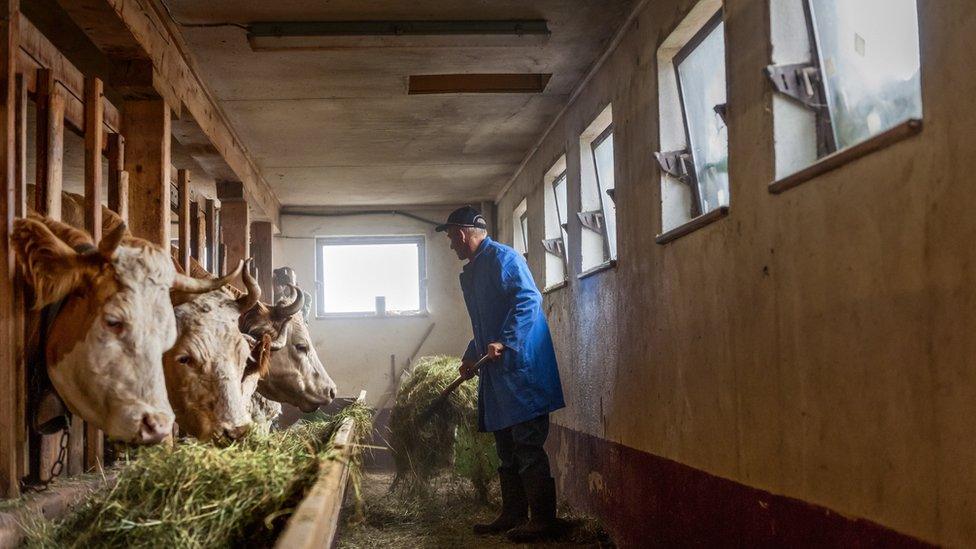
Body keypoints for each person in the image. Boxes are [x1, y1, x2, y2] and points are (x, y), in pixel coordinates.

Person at [436, 205, 565, 542]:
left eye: (451, 237)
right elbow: (485, 324)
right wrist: (471, 354)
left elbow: (528, 300)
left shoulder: (503, 259)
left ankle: (543, 520)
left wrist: (506, 342)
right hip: (500, 374)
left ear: (463, 235)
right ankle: (512, 514)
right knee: (506, 447)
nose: (451, 245)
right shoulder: (475, 270)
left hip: (523, 371)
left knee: (527, 446)